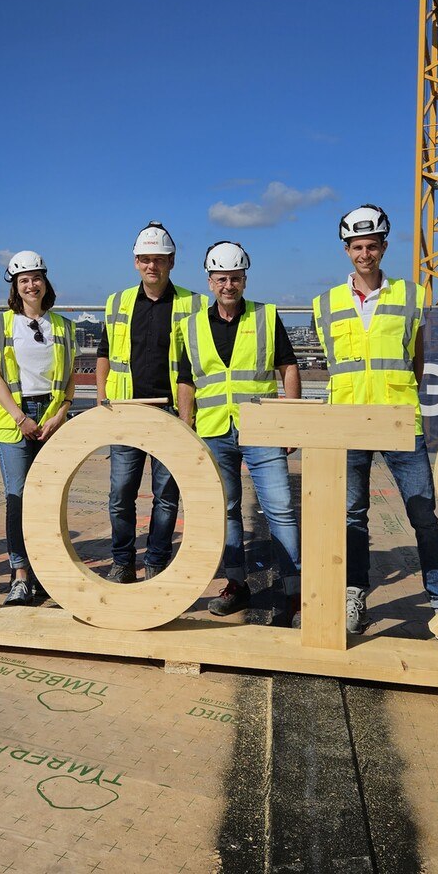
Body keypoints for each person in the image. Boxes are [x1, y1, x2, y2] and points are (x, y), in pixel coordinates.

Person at [312, 205, 438, 634]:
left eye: (372, 246)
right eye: (357, 247)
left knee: (423, 513)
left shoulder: (411, 295)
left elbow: (417, 357)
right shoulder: (326, 303)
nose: (365, 254)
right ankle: (355, 593)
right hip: (348, 421)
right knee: (352, 515)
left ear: (384, 247)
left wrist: (401, 398)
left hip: (398, 419)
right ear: (347, 250)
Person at [177, 242, 303, 627]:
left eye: (234, 278)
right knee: (226, 510)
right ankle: (236, 584)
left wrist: (292, 420)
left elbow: (288, 367)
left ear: (244, 279)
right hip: (214, 430)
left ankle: (294, 594)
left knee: (280, 508)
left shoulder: (266, 316)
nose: (228, 285)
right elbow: (186, 382)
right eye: (221, 279)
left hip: (262, 426)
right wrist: (186, 428)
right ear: (210, 281)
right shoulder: (191, 325)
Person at [96, 221, 205, 584]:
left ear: (172, 262)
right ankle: (122, 562)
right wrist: (101, 395)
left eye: (159, 259)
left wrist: (188, 417)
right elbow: (104, 352)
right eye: (145, 259)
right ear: (136, 262)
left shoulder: (194, 303)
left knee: (167, 496)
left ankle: (157, 560)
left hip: (171, 412)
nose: (151, 266)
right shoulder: (119, 302)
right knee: (120, 495)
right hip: (127, 411)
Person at [0, 251, 76, 605]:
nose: (31, 284)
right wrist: (21, 418)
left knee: (47, 499)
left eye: (36, 278)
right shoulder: (1, 326)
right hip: (15, 420)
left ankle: (45, 573)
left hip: (52, 419)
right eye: (24, 280)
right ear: (15, 286)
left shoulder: (64, 327)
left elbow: (68, 379)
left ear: (45, 281)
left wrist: (60, 414)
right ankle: (20, 574)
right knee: (17, 498)